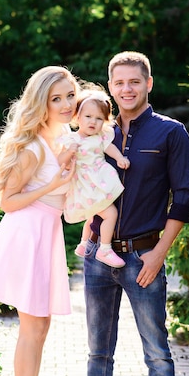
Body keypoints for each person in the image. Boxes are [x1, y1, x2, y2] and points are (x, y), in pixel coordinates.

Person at [60, 51, 189, 376]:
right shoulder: (94, 129)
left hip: (144, 257)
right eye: (118, 83)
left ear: (148, 83)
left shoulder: (171, 133)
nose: (126, 89)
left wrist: (159, 254)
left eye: (134, 81)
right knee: (98, 352)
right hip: (99, 259)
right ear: (109, 86)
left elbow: (185, 197)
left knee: (157, 353)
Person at [0, 65, 79, 376]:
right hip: (27, 234)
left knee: (39, 328)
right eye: (57, 99)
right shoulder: (34, 146)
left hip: (47, 232)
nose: (68, 104)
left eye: (70, 94)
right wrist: (53, 185)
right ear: (42, 103)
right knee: (32, 329)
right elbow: (6, 201)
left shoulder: (66, 138)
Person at [58, 86, 130, 268]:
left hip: (99, 181)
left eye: (99, 118)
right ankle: (104, 249)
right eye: (88, 117)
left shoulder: (100, 136)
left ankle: (83, 244)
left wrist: (120, 157)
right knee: (110, 213)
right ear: (77, 117)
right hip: (85, 184)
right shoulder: (72, 139)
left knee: (93, 214)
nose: (93, 122)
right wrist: (69, 153)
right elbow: (60, 161)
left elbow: (109, 148)